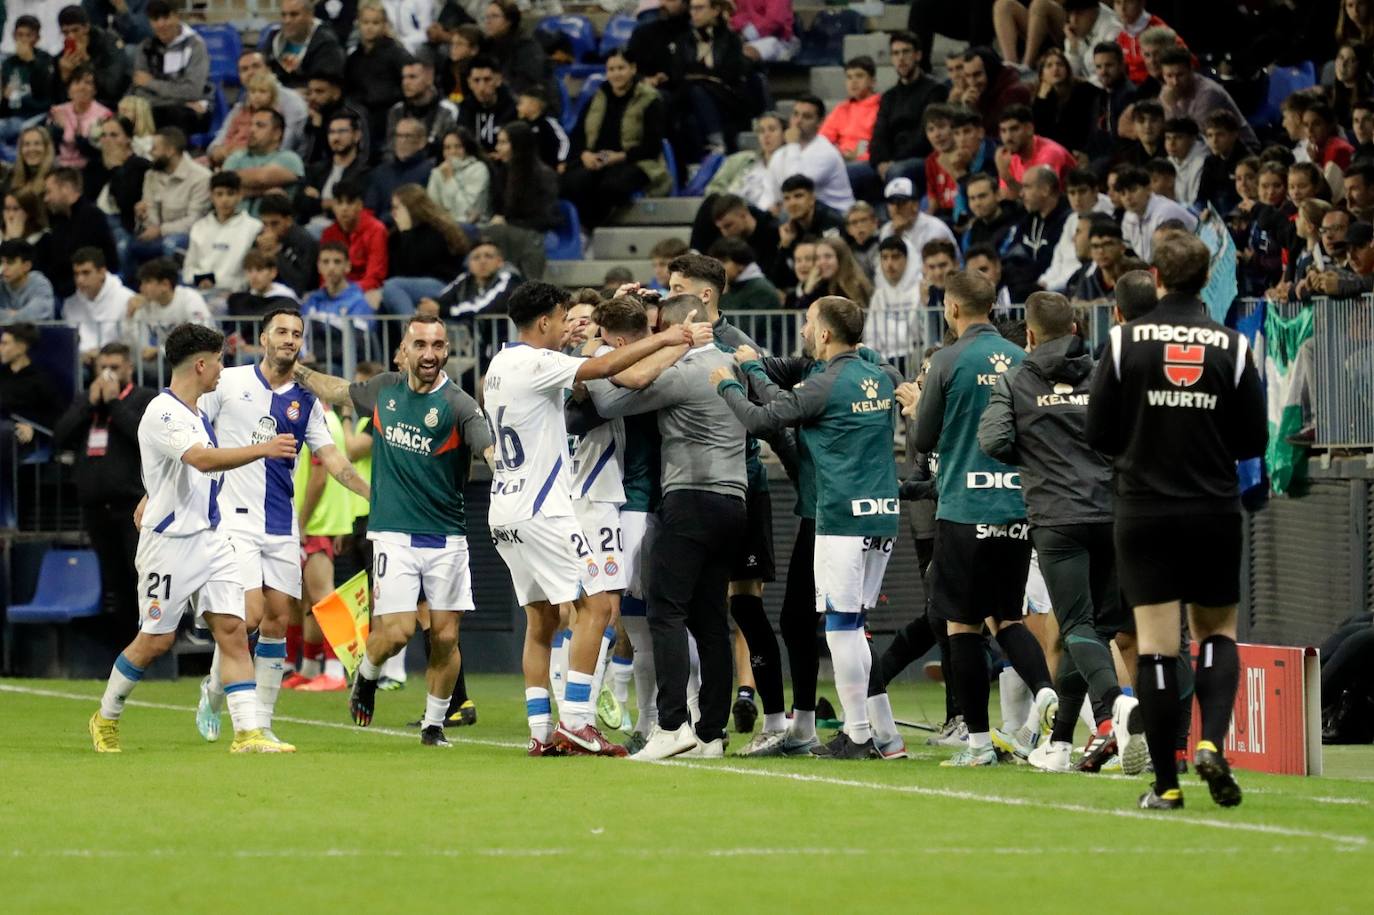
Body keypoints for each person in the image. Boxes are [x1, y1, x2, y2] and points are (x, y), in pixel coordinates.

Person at [1085, 233, 1267, 809]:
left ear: (1157, 277)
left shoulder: (1123, 342)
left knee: (1159, 650)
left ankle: (1166, 784)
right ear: (1205, 278)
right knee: (1216, 634)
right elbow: (1253, 440)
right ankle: (1211, 740)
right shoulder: (1232, 347)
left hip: (1143, 512)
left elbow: (1098, 436)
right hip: (1212, 511)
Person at [486, 282, 703, 756]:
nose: (569, 326)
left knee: (540, 619)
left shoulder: (499, 363)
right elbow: (606, 366)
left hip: (504, 509)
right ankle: (579, 722)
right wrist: (670, 338)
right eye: (563, 317)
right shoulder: (538, 363)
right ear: (543, 321)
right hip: (545, 509)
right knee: (597, 608)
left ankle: (542, 731)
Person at [87, 323, 299, 754]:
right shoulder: (162, 412)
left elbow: (181, 471)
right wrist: (264, 448)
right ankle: (105, 715)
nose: (222, 369)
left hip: (213, 538)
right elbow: (201, 461)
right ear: (201, 364)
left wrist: (152, 492)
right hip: (169, 544)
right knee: (156, 641)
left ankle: (248, 733)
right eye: (219, 360)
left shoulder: (199, 414)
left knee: (234, 629)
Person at [714, 295, 902, 758]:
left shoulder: (826, 384)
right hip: (881, 513)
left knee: (838, 627)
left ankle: (858, 735)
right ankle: (886, 735)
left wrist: (733, 382)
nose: (801, 330)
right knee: (854, 624)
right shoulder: (877, 373)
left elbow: (765, 417)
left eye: (806, 323)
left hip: (838, 514)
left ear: (823, 333)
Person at [977, 290, 1141, 773]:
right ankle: (1062, 742)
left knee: (1075, 627)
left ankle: (1114, 711)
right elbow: (1128, 434)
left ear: (1028, 335)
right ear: (1075, 328)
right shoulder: (1103, 372)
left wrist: (1039, 456)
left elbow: (993, 440)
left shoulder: (1016, 380)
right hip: (1110, 513)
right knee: (1093, 629)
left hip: (1056, 518)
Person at [189, 307, 369, 745]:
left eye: (296, 334)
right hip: (233, 520)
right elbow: (189, 429)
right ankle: (216, 694)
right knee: (246, 616)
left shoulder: (307, 401)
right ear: (264, 338)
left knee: (276, 621)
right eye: (281, 332)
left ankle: (262, 723)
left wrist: (373, 495)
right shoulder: (227, 383)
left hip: (281, 524)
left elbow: (333, 459)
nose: (289, 339)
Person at [904, 269, 1058, 767]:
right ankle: (1045, 694)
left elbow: (924, 439)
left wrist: (916, 411)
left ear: (950, 308)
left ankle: (976, 745)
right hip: (1016, 506)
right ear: (991, 307)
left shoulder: (948, 359)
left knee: (962, 628)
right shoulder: (1022, 358)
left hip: (964, 508)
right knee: (1009, 618)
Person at [581, 291, 744, 759]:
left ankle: (672, 725)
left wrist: (592, 352)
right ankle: (711, 734)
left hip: (691, 499)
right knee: (711, 620)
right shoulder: (730, 365)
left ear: (683, 326)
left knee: (665, 612)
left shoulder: (685, 372)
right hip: (734, 502)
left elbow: (612, 400)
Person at [52, 342, 157, 621]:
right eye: (102, 367)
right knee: (113, 580)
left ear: (129, 369)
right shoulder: (86, 400)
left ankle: (151, 641)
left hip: (132, 506)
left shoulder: (144, 398)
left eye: (114, 367)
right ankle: (121, 649)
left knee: (140, 574)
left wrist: (113, 403)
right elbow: (60, 436)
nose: (107, 373)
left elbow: (142, 437)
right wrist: (90, 403)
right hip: (95, 507)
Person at [560, 48, 670, 230]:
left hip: (634, 161)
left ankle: (594, 229)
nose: (616, 74)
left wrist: (619, 156)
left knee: (611, 186)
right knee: (572, 182)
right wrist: (585, 155)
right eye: (611, 69)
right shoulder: (596, 98)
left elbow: (652, 145)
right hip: (596, 160)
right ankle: (588, 228)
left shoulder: (650, 99)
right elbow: (578, 135)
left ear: (633, 69)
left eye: (621, 68)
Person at [865, 31, 949, 198]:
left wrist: (894, 162)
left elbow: (926, 136)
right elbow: (879, 133)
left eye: (906, 52)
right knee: (851, 172)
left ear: (918, 55)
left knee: (898, 170)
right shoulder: (889, 96)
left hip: (921, 159)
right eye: (896, 53)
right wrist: (880, 161)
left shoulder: (935, 90)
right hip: (891, 161)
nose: (901, 58)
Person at [667, 0, 752, 160]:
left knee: (696, 97)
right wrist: (708, 75)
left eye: (700, 8)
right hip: (689, 97)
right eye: (692, 8)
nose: (694, 13)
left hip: (723, 96)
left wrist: (699, 75)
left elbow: (731, 72)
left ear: (715, 11)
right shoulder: (683, 41)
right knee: (693, 103)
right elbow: (677, 74)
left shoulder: (730, 39)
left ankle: (714, 147)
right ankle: (716, 145)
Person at [380, 183, 469, 314]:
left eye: (397, 208)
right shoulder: (395, 237)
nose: (393, 213)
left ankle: (413, 331)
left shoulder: (437, 231)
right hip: (407, 286)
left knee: (392, 287)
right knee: (383, 297)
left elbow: (416, 267)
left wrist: (407, 234)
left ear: (411, 208)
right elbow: (396, 271)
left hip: (444, 285)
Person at [485, 120, 558, 279]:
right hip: (508, 233)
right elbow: (498, 209)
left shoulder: (543, 175)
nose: (498, 148)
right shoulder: (502, 172)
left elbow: (546, 219)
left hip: (535, 234)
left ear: (519, 145)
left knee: (493, 232)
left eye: (503, 142)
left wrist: (508, 223)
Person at [208, 51, 308, 166]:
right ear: (240, 77)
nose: (251, 72)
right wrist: (218, 151)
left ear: (269, 70)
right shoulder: (241, 105)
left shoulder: (291, 102)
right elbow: (218, 140)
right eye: (244, 69)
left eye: (256, 66)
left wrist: (241, 156)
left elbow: (285, 147)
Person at [129, 1, 212, 133]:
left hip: (189, 113)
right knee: (128, 116)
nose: (161, 24)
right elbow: (139, 92)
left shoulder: (196, 46)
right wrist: (180, 101)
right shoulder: (145, 48)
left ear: (177, 16)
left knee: (176, 115)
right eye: (155, 19)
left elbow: (192, 91)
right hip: (164, 107)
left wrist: (151, 83)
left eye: (166, 17)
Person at [182, 172, 262, 305]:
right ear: (211, 196)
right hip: (199, 293)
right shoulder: (199, 227)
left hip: (235, 295)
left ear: (240, 195)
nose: (224, 199)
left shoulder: (254, 227)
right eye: (219, 194)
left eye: (230, 193)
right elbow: (188, 270)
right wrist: (200, 280)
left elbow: (252, 272)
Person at [1158, 45, 1258, 150]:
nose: (1175, 82)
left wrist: (1172, 107)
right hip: (1205, 150)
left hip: (1242, 149)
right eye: (1169, 76)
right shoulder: (1166, 91)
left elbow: (1195, 136)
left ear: (1191, 70)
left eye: (1180, 75)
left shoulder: (1208, 93)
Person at [345, 1, 413, 156]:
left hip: (390, 117)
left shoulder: (397, 53)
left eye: (375, 22)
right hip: (361, 118)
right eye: (365, 22)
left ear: (384, 25)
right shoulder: (354, 58)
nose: (369, 27)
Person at [768, 96, 855, 214]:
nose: (798, 121)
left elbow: (796, 186)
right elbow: (776, 197)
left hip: (836, 213)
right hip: (804, 213)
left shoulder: (826, 152)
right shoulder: (779, 155)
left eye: (806, 117)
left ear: (820, 122)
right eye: (795, 114)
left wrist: (792, 145)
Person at [91, 115, 152, 277]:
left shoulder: (140, 166)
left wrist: (117, 169)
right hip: (97, 221)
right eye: (103, 135)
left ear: (128, 139)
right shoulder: (95, 166)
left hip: (125, 224)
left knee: (120, 245)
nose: (107, 140)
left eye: (114, 135)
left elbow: (126, 203)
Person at [48, 165, 121, 299]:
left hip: (95, 292)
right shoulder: (59, 221)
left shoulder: (92, 217)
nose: (46, 198)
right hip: (67, 291)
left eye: (49, 192)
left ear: (66, 189)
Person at [124, 257, 213, 363]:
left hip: (196, 361)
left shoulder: (190, 299)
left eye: (147, 282)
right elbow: (136, 346)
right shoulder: (146, 305)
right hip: (165, 362)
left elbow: (200, 339)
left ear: (165, 285)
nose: (141, 288)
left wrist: (160, 351)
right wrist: (130, 315)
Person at [1003, 166, 1072, 301]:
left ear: (1045, 190)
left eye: (1027, 187)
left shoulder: (1067, 220)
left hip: (1055, 295)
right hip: (1028, 292)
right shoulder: (1027, 220)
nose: (1021, 194)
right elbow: (1010, 257)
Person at [301, 242, 372, 368]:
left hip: (343, 368)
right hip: (309, 363)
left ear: (348, 266)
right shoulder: (312, 300)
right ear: (318, 266)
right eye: (326, 262)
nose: (331, 267)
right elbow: (301, 336)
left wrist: (318, 356)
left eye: (337, 262)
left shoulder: (359, 302)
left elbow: (358, 345)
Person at [224, 109, 306, 215]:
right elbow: (222, 184)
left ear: (277, 133)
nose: (252, 130)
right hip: (233, 225)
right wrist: (263, 191)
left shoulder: (289, 158)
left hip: (270, 228)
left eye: (260, 125)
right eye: (251, 125)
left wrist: (235, 188)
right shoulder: (237, 157)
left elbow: (260, 178)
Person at [297, 111, 371, 229]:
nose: (336, 137)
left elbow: (355, 211)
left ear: (357, 136)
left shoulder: (365, 173)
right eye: (332, 132)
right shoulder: (315, 169)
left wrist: (318, 201)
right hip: (308, 227)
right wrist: (328, 203)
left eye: (342, 131)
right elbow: (300, 203)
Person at [703, 111, 786, 215]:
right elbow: (713, 189)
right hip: (733, 213)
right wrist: (732, 205)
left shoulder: (790, 164)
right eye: (761, 131)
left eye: (772, 129)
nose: (766, 135)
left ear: (784, 134)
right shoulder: (739, 159)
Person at [421, 238, 521, 318]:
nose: (482, 261)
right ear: (469, 264)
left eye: (488, 256)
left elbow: (484, 307)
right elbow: (442, 298)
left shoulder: (508, 278)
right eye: (476, 257)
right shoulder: (465, 279)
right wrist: (430, 305)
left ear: (500, 262)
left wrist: (444, 310)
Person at [321, 178, 388, 298]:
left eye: (350, 202)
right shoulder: (328, 233)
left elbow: (375, 277)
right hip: (336, 291)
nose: (344, 208)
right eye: (339, 203)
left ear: (360, 205)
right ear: (333, 206)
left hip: (367, 292)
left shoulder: (376, 229)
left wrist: (347, 293)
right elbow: (324, 275)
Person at [479, 1, 554, 106]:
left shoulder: (526, 46)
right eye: (487, 17)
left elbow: (526, 82)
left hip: (527, 103)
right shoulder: (487, 45)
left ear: (509, 21)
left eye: (494, 16)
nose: (488, 21)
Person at [877, 177, 957, 275]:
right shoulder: (886, 230)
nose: (896, 207)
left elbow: (934, 269)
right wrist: (896, 235)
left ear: (915, 204)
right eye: (891, 202)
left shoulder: (935, 228)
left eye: (901, 202)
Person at [55, 5, 129, 108]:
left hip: (108, 104)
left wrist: (87, 61)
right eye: (65, 32)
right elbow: (54, 99)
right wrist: (64, 77)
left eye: (75, 30)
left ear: (86, 27)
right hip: (75, 108)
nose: (70, 36)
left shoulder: (110, 44)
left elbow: (111, 88)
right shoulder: (64, 54)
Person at [996, 104, 1075, 199]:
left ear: (1029, 128)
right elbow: (1007, 197)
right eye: (1003, 131)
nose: (1008, 137)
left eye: (1014, 129)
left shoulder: (1050, 153)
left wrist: (1007, 177)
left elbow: (1041, 198)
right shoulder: (1009, 156)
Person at [1118, 165, 1196, 261]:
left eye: (1133, 190)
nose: (1128, 198)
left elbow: (1174, 256)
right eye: (1123, 194)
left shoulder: (1165, 212)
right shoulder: (1129, 217)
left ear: (1148, 189)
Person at [0, 16, 58, 145]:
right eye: (20, 35)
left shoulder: (46, 60)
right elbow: (5, 106)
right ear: (14, 36)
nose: (24, 40)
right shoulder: (8, 64)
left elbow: (47, 99)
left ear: (37, 38)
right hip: (12, 117)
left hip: (38, 115)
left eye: (28, 35)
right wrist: (4, 97)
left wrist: (31, 61)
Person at [0, 320, 61, 442]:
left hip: (17, 436)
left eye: (5, 343)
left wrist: (33, 428)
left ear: (21, 348)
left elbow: (56, 415)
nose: (0, 348)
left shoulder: (40, 379)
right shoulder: (2, 374)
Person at [1031, 47, 1099, 156]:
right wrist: (1041, 98)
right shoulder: (1041, 99)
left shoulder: (1082, 90)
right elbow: (1038, 134)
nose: (1055, 69)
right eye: (1049, 66)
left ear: (1067, 70)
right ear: (1041, 75)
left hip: (1079, 151)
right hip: (1051, 153)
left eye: (1060, 64)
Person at [364, 117, 434, 220]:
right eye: (398, 136)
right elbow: (370, 209)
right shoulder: (380, 172)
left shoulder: (431, 172)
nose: (402, 141)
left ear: (422, 142)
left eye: (408, 136)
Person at [385, 59, 460, 156]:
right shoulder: (396, 111)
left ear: (429, 78)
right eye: (404, 77)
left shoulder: (448, 110)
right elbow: (391, 148)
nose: (405, 82)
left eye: (412, 77)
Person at [267, 0, 348, 90]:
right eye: (283, 15)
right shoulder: (274, 39)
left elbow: (325, 87)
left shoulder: (327, 45)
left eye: (294, 15)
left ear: (310, 16)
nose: (287, 20)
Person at [299, 71, 373, 166]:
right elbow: (309, 159)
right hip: (321, 174)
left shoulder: (354, 113)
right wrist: (317, 128)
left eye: (319, 91)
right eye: (310, 92)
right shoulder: (313, 114)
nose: (312, 97)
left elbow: (365, 154)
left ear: (336, 93)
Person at [866, 236, 920, 362]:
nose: (889, 264)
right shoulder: (879, 295)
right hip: (884, 361)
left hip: (915, 358)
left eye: (895, 257)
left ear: (908, 259)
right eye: (884, 257)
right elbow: (870, 337)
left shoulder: (919, 291)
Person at [48, 65, 111, 169]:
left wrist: (76, 135)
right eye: (77, 82)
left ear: (95, 90)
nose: (82, 87)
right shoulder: (57, 111)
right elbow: (50, 146)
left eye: (88, 83)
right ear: (69, 90)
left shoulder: (104, 115)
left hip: (89, 169)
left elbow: (98, 153)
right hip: (58, 167)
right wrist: (58, 130)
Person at [957, 46, 1032, 134]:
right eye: (967, 76)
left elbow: (997, 132)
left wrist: (973, 110)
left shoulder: (1014, 93)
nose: (972, 82)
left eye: (977, 75)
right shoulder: (982, 91)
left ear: (991, 71)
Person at [257, 195, 319, 297]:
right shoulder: (260, 238)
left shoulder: (305, 241)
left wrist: (277, 252)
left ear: (288, 220)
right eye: (265, 224)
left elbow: (300, 285)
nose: (268, 230)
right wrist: (260, 254)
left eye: (274, 224)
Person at [427, 127, 491, 224]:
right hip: (445, 227)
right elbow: (432, 208)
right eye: (447, 148)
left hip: (474, 227)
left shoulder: (479, 169)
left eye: (458, 146)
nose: (452, 152)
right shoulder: (437, 172)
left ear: (467, 148)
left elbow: (467, 211)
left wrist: (449, 179)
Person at [455, 56, 517, 154]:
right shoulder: (465, 108)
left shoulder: (513, 108)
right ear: (469, 83)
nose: (482, 87)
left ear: (498, 80)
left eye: (487, 80)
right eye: (476, 80)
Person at [627, 0, 689, 89]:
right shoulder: (642, 33)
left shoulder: (695, 34)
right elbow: (627, 68)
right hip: (649, 92)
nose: (662, 4)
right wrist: (644, 79)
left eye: (670, 0)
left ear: (685, 4)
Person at [798, 237, 872, 309]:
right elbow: (800, 315)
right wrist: (808, 289)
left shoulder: (856, 286)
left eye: (828, 256)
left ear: (840, 259)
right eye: (817, 258)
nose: (822, 262)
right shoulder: (818, 288)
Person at [960, 172, 1023, 254]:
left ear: (998, 195)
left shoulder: (1016, 225)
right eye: (972, 198)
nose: (977, 203)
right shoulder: (970, 233)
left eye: (982, 196)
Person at [710, 237, 780, 309]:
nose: (718, 267)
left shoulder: (761, 290)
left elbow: (737, 319)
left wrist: (724, 294)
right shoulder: (732, 285)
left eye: (724, 262)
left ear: (741, 264)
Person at [0, 240, 55, 321]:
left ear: (27, 266)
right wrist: (17, 315)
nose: (3, 268)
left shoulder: (40, 283)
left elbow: (36, 316)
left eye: (10, 262)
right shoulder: (1, 283)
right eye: (1, 262)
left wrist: (11, 316)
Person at [514, 87, 567, 171]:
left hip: (547, 170)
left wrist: (561, 160)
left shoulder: (549, 123)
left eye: (521, 103)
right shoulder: (521, 125)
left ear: (534, 106)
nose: (517, 107)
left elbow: (564, 141)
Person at [1163, 117, 1206, 208]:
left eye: (1178, 138)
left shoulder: (1203, 162)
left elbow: (1196, 204)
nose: (1171, 143)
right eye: (1168, 138)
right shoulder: (1169, 161)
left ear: (1192, 139)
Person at [5, 124, 54, 199]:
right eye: (26, 144)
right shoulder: (12, 175)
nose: (31, 149)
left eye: (37, 144)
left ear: (46, 148)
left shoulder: (55, 177)